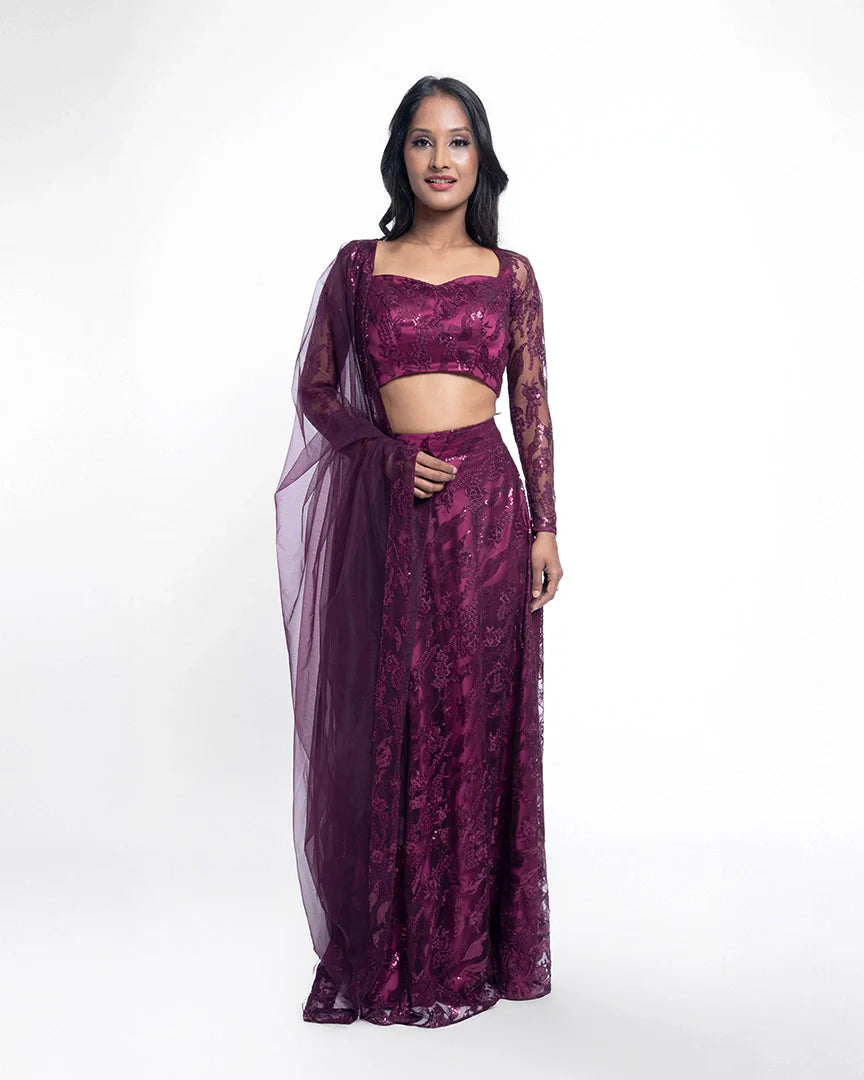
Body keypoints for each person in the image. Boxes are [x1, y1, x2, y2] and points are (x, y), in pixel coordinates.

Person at [274, 75, 563, 1028]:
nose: (442, 159)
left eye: (459, 141)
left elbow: (533, 406)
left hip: (487, 515)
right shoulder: (360, 267)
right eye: (424, 140)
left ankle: (470, 947)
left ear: (482, 159)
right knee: (396, 714)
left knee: (477, 720)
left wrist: (547, 525)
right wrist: (386, 458)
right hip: (395, 514)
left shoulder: (510, 274)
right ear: (400, 155)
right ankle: (396, 944)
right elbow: (318, 391)